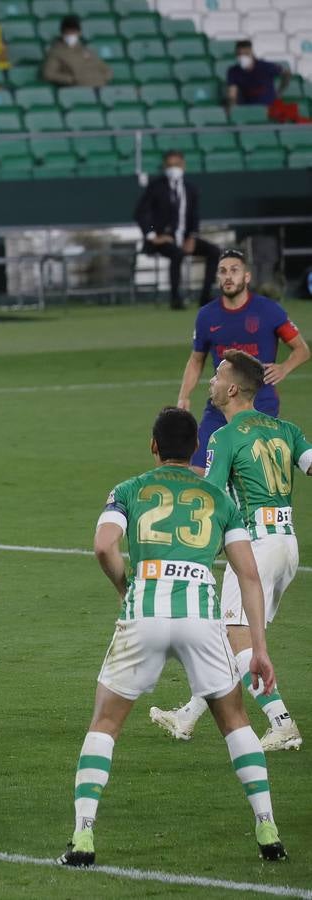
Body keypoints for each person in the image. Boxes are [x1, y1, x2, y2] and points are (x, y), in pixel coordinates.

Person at [58, 406, 286, 867]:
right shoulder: (221, 500)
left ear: (153, 445)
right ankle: (268, 830)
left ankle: (83, 837)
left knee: (105, 724)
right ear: (195, 449)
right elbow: (249, 575)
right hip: (202, 617)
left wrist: (126, 585)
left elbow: (104, 545)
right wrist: (258, 648)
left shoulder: (129, 489)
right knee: (236, 723)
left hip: (143, 612)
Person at [151, 350, 310, 751]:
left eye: (218, 375)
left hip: (254, 549)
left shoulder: (223, 438)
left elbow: (213, 496)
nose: (211, 381)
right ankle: (187, 717)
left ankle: (281, 722)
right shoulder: (287, 430)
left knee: (238, 637)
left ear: (233, 388)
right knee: (227, 637)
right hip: (288, 545)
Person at [174, 248, 308, 471]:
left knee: (253, 471)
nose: (228, 276)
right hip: (219, 405)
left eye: (234, 270)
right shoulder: (207, 316)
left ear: (246, 276)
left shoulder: (269, 311)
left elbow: (302, 349)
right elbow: (196, 360)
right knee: (198, 470)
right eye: (223, 271)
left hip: (260, 404)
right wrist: (183, 396)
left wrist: (284, 368)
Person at [134, 150, 221, 310]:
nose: (173, 168)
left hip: (186, 237)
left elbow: (194, 215)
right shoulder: (155, 187)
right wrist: (153, 235)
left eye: (177, 164)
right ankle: (175, 299)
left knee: (215, 251)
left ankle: (205, 296)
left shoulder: (191, 189)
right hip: (163, 240)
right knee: (177, 254)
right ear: (164, 166)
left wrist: (192, 237)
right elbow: (143, 214)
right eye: (170, 165)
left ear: (183, 165)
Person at [41, 15, 112, 88]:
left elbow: (105, 68)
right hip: (80, 88)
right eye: (68, 32)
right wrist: (70, 79)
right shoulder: (56, 52)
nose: (71, 35)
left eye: (74, 32)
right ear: (62, 33)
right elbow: (48, 74)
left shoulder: (86, 50)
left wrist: (105, 77)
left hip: (101, 86)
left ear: (79, 33)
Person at [226, 40, 290, 113]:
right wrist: (231, 108)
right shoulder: (233, 71)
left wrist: (280, 91)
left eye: (246, 54)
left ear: (252, 53)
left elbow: (286, 73)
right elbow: (232, 95)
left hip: (270, 109)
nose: (242, 57)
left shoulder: (266, 66)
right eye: (239, 54)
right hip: (249, 110)